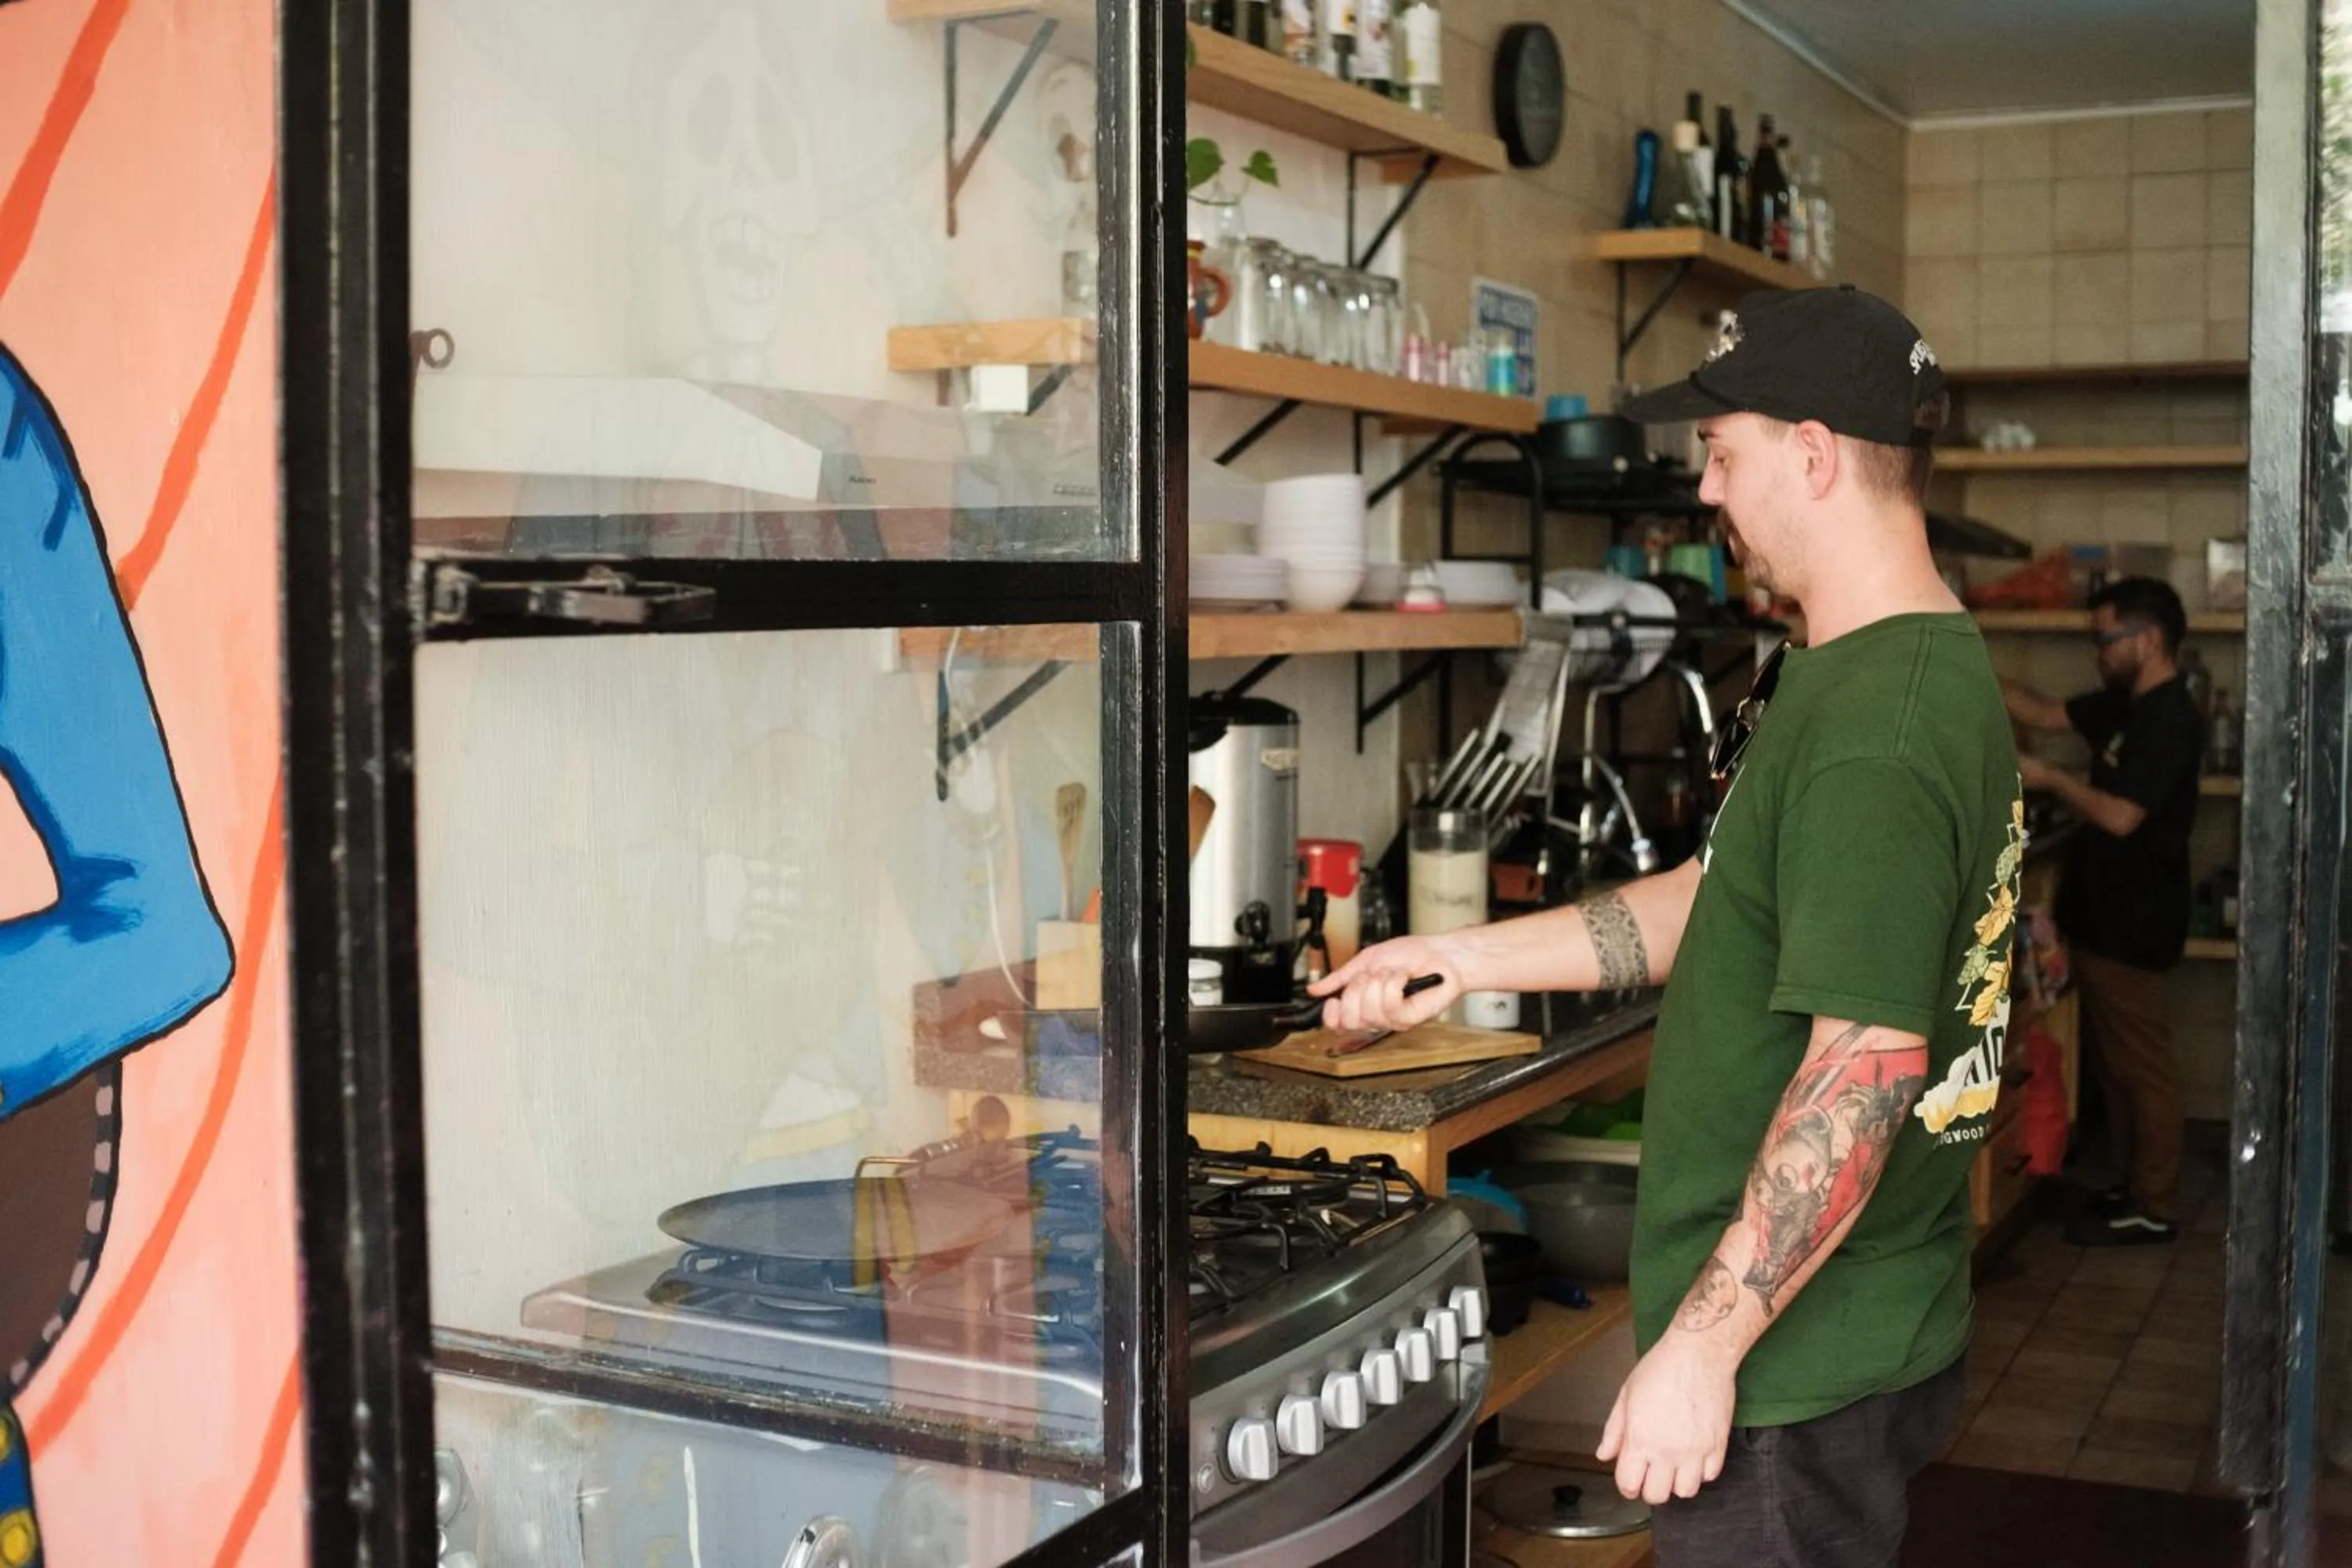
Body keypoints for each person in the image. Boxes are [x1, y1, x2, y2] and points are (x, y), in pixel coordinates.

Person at [1312, 289, 2020, 1568]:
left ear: (1812, 456)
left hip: (1789, 1366)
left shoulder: (1880, 730)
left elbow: (1862, 1076)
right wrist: (1457, 957)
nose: (1707, 495)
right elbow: (1716, 894)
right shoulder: (1862, 666)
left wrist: (1702, 1349)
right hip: (1841, 1320)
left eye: (1723, 453)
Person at [2002, 578, 2203, 1244]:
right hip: (2103, 916)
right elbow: (2047, 711)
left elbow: (2121, 816)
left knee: (2142, 1064)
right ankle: (2131, 1186)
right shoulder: (2125, 703)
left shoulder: (2171, 717)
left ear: (2146, 641)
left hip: (2136, 920)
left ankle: (2157, 1202)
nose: (2096, 652)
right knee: (2116, 1063)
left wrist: (2053, 777)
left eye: (2104, 639)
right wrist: (1961, 661)